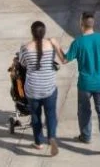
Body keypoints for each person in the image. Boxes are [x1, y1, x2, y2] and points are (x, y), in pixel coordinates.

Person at [64, 13, 100, 154]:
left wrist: (56, 47)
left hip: (85, 84)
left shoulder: (78, 42)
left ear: (81, 24)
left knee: (84, 111)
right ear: (93, 23)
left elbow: (64, 60)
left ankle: (86, 136)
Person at [19, 21, 65, 155]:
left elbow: (23, 64)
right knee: (50, 114)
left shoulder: (25, 47)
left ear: (31, 32)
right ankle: (51, 137)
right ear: (44, 32)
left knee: (35, 116)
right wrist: (56, 44)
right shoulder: (51, 45)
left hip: (33, 89)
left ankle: (38, 142)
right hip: (49, 87)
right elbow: (63, 59)